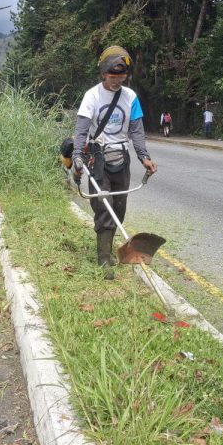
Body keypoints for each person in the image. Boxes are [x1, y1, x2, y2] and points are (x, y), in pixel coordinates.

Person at [72, 45, 157, 279]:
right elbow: (81, 129)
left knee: (119, 207)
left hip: (121, 157)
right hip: (97, 157)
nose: (117, 81)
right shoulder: (92, 96)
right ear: (103, 74)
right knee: (103, 205)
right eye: (112, 77)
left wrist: (144, 157)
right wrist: (78, 155)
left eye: (121, 77)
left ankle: (109, 251)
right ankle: (103, 259)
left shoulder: (131, 97)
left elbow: (136, 130)